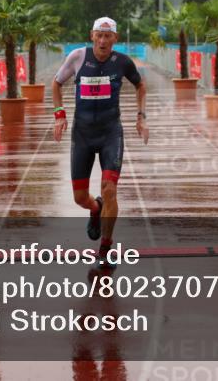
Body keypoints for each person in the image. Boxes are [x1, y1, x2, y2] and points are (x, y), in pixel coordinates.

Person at [52, 17, 148, 265]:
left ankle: (105, 250)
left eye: (108, 36)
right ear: (92, 35)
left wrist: (141, 117)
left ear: (115, 39)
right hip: (82, 134)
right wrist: (59, 116)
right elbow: (56, 83)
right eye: (99, 35)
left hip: (110, 133)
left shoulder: (123, 62)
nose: (103, 40)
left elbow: (140, 85)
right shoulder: (77, 57)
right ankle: (96, 209)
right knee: (80, 198)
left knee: (110, 189)